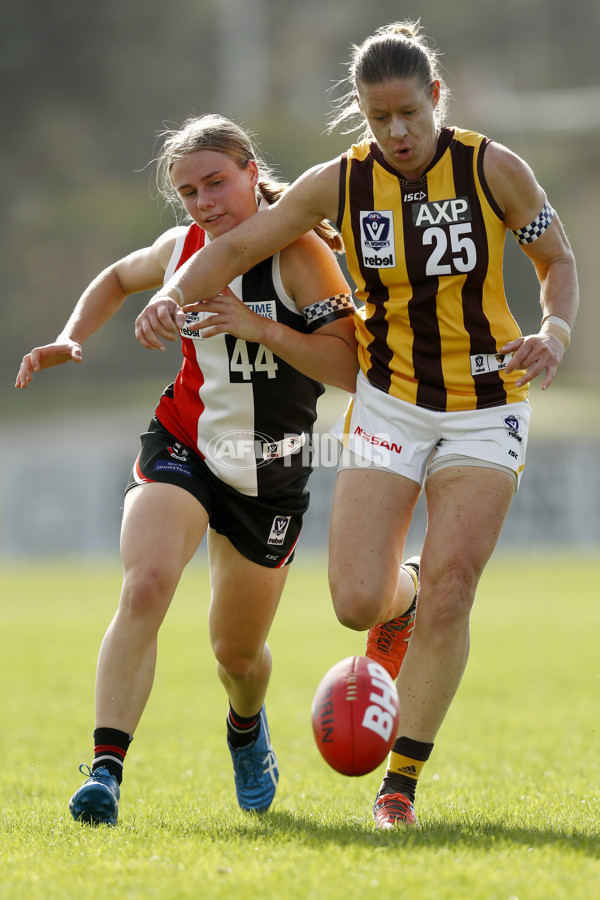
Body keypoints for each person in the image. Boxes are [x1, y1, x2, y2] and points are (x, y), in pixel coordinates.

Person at [140, 23, 579, 829]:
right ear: (363, 117)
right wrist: (174, 294)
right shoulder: (337, 183)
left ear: (435, 98)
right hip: (389, 404)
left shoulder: (492, 168)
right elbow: (234, 247)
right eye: (380, 119)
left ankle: (399, 787)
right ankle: (398, 598)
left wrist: (552, 332)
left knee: (456, 588)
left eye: (410, 113)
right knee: (355, 603)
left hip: (487, 408)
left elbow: (559, 264)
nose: (398, 133)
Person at [15, 114, 357, 825]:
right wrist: (68, 338)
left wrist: (256, 324)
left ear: (250, 170)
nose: (205, 202)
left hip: (269, 476)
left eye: (217, 183)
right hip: (185, 446)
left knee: (237, 656)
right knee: (143, 586)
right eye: (189, 191)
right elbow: (116, 276)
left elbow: (351, 366)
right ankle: (105, 773)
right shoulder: (182, 250)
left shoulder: (299, 253)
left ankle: (244, 728)